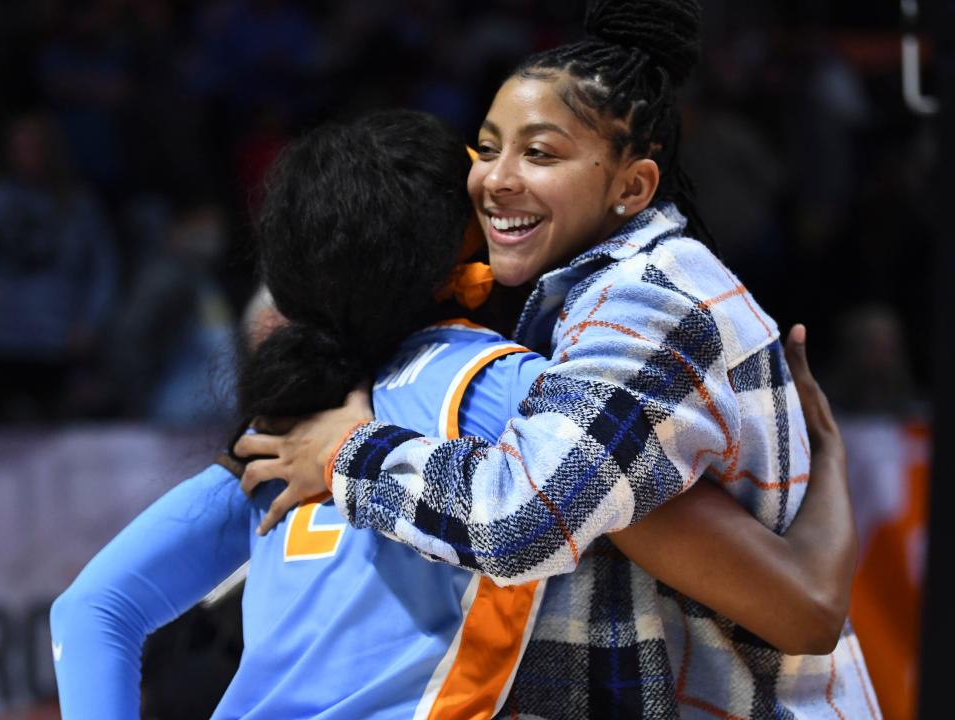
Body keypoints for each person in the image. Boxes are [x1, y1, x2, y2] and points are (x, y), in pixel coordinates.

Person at [53, 109, 858, 719]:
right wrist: (827, 461)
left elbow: (92, 610)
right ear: (467, 248)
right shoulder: (511, 396)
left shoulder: (280, 434)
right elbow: (796, 610)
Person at [234, 1, 879, 716]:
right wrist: (831, 470)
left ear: (632, 187)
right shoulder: (584, 300)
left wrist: (349, 453)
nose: (493, 180)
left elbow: (523, 518)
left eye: (538, 153)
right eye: (488, 147)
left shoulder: (645, 305)